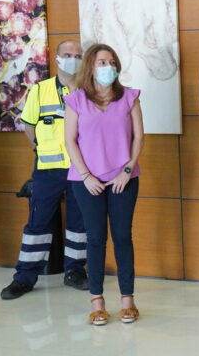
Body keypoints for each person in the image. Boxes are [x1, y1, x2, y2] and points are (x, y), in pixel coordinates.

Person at [0, 40, 89, 300]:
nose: (73, 59)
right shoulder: (40, 90)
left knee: (79, 223)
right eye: (68, 54)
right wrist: (41, 148)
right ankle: (24, 278)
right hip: (48, 170)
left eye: (78, 55)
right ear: (57, 58)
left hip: (81, 169)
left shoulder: (89, 90)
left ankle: (75, 272)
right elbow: (29, 126)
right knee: (37, 223)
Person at [64, 43, 144, 325]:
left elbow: (138, 137)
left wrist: (127, 170)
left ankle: (128, 300)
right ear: (90, 67)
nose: (108, 67)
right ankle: (97, 301)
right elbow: (70, 141)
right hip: (87, 182)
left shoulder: (130, 98)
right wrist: (86, 175)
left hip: (124, 178)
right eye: (101, 62)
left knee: (122, 237)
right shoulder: (76, 100)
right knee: (96, 238)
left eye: (111, 62)